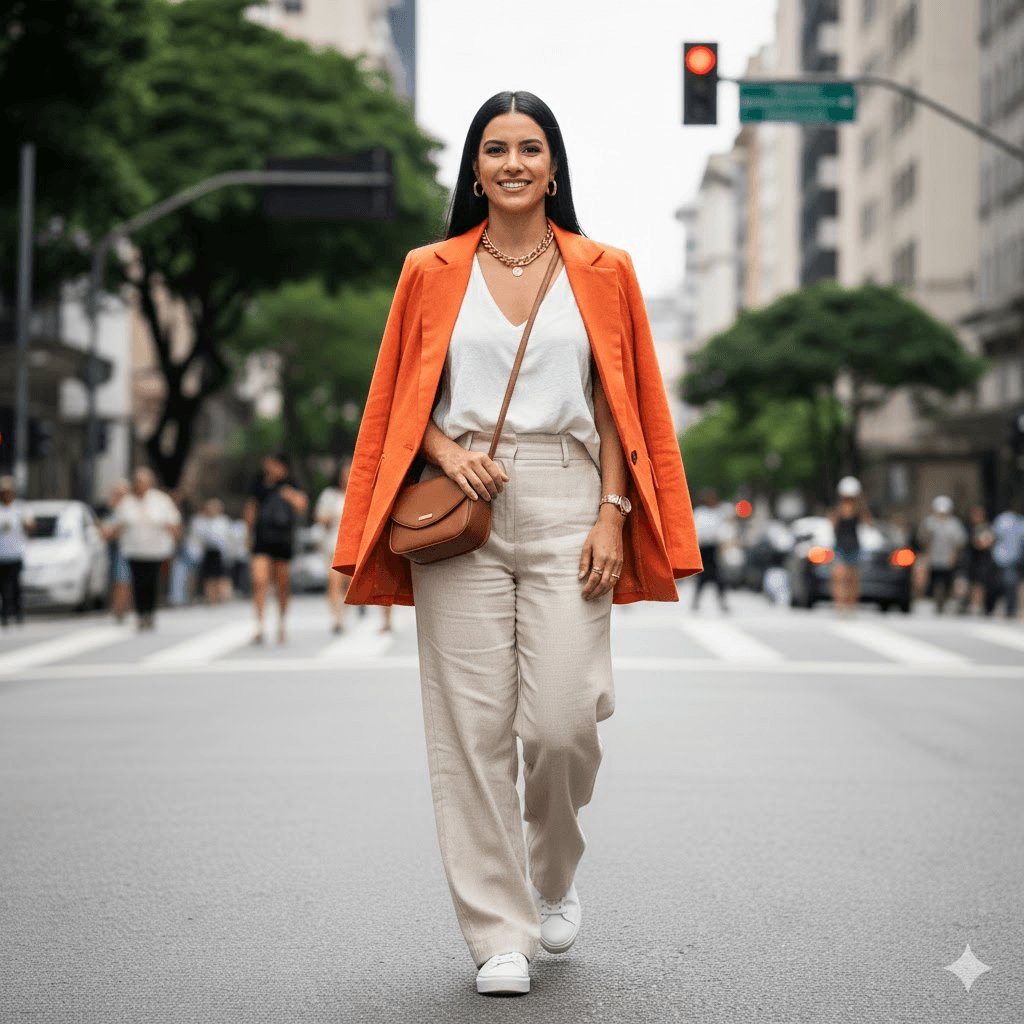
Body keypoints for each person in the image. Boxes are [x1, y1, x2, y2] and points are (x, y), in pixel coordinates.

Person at [332, 91, 701, 996]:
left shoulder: (603, 269)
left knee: (563, 720)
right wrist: (451, 452)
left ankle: (555, 869)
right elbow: (397, 397)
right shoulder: (429, 268)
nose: (512, 163)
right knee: (472, 730)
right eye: (494, 149)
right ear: (473, 169)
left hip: (573, 493)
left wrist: (614, 507)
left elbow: (623, 399)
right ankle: (499, 931)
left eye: (529, 148)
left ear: (554, 165)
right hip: (459, 504)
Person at [103, 467, 182, 630]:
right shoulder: (127, 501)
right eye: (138, 481)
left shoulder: (161, 500)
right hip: (134, 550)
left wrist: (175, 538)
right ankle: (140, 614)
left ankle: (150, 613)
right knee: (138, 582)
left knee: (151, 582)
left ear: (151, 483)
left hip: (155, 551)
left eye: (144, 481)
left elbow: (173, 522)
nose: (140, 485)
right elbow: (117, 523)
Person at [244, 452, 308, 645]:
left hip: (282, 539)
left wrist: (289, 495)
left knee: (282, 585)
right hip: (261, 538)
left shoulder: (291, 484)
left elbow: (302, 506)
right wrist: (247, 534)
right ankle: (260, 624)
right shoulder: (258, 484)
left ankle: (281, 622)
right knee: (259, 580)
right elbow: (251, 508)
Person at [827, 476, 872, 615]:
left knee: (853, 579)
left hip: (854, 547)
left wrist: (861, 504)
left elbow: (868, 522)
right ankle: (839, 605)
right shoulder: (838, 509)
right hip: (840, 547)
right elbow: (831, 523)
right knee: (839, 577)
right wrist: (839, 510)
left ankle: (851, 606)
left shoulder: (859, 509)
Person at [315, 460, 350, 634]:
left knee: (347, 584)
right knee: (334, 582)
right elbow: (319, 517)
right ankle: (337, 618)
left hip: (352, 546)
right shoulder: (329, 495)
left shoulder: (357, 494)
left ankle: (343, 613)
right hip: (333, 545)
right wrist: (333, 518)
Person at [918, 495, 967, 614]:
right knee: (932, 581)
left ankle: (945, 603)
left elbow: (959, 542)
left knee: (947, 583)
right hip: (933, 558)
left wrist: (954, 556)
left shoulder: (954, 524)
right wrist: (925, 555)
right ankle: (931, 602)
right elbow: (924, 540)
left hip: (947, 560)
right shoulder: (929, 522)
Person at [0, 475, 35, 627]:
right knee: (3, 588)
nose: (6, 494)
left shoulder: (20, 507)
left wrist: (27, 524)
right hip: (1, 555)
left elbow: (31, 524)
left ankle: (18, 613)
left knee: (16, 586)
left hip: (16, 553)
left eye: (8, 491)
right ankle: (5, 615)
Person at [691, 486, 729, 611]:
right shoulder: (700, 513)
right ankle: (696, 602)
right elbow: (697, 533)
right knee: (702, 579)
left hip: (713, 548)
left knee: (718, 579)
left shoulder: (716, 513)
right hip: (703, 549)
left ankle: (722, 603)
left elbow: (720, 533)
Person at [189, 498, 233, 605]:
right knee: (209, 577)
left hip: (221, 553)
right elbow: (196, 539)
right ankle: (210, 597)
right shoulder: (200, 521)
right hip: (207, 552)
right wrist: (194, 554)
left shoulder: (225, 521)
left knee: (222, 576)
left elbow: (229, 539)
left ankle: (222, 597)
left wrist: (230, 553)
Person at [101, 479, 133, 622]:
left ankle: (121, 609)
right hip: (113, 548)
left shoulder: (130, 508)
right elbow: (106, 530)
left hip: (128, 548)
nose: (119, 497)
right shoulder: (113, 509)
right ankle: (118, 608)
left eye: (122, 494)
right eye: (117, 494)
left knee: (123, 579)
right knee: (118, 579)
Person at [958, 504, 997, 616]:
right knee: (966, 583)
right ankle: (965, 605)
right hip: (969, 561)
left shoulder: (987, 527)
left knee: (979, 585)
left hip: (982, 561)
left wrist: (980, 542)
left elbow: (985, 543)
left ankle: (977, 606)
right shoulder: (968, 528)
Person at [991, 499, 1024, 618]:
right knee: (1005, 584)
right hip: (1006, 556)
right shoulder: (1008, 520)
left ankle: (1007, 609)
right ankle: (1005, 608)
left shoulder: (1016, 521)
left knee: (1008, 584)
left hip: (1008, 558)